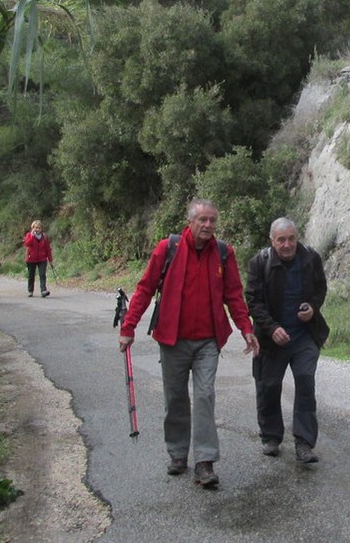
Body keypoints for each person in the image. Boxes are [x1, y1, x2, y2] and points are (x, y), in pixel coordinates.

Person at [118, 198, 260, 489]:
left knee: (205, 396)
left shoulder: (223, 253)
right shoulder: (167, 249)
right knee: (176, 399)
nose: (208, 225)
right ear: (190, 221)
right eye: (202, 220)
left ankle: (205, 462)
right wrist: (128, 326)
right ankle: (178, 453)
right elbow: (145, 288)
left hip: (208, 341)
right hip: (173, 340)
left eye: (212, 221)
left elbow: (233, 294)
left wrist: (246, 328)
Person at [245, 217, 329, 464]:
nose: (287, 244)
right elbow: (253, 300)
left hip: (304, 336)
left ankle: (304, 442)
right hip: (271, 339)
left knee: (305, 382)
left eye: (291, 238)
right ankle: (271, 437)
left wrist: (312, 307)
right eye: (281, 240)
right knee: (268, 386)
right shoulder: (260, 262)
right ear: (272, 241)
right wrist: (271, 329)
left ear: (297, 237)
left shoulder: (311, 258)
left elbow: (320, 288)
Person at [23, 219, 53, 297]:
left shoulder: (44, 237)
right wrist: (32, 236)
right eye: (36, 227)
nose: (37, 229)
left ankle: (43, 290)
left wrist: (50, 259)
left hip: (42, 259)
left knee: (42, 274)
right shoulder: (29, 235)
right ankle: (30, 290)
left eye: (39, 228)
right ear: (33, 228)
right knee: (31, 275)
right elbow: (27, 244)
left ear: (41, 228)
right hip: (31, 259)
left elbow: (48, 249)